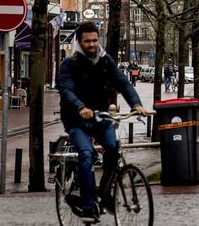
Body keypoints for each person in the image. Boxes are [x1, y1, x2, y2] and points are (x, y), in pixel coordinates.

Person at [58, 22, 150, 222]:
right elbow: (66, 90)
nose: (91, 44)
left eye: (94, 40)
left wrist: (136, 104)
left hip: (100, 116)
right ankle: (88, 205)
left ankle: (106, 194)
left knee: (112, 147)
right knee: (86, 153)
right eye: (87, 41)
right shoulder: (69, 64)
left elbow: (123, 83)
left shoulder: (105, 61)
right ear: (80, 42)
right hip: (76, 118)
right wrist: (80, 107)